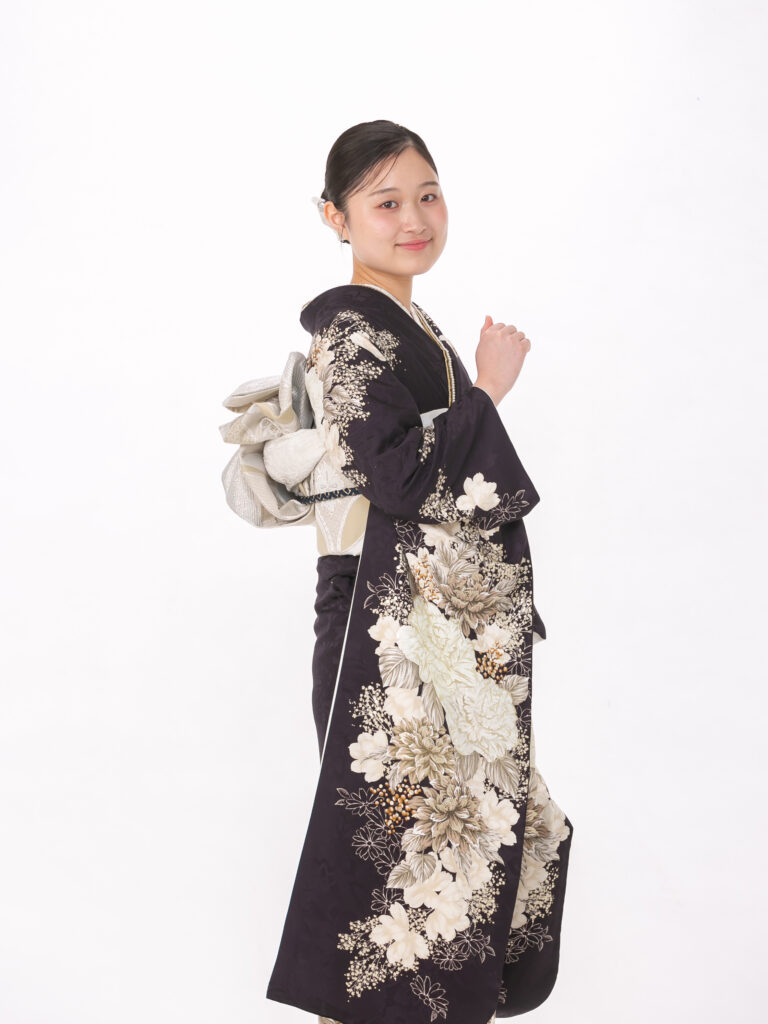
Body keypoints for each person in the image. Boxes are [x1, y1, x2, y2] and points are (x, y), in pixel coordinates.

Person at [261, 120, 574, 1024]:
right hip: (377, 622)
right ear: (335, 217)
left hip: (418, 622)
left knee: (467, 847)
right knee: (394, 875)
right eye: (386, 202)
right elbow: (396, 476)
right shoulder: (348, 332)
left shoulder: (409, 327)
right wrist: (486, 393)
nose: (414, 219)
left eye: (428, 196)